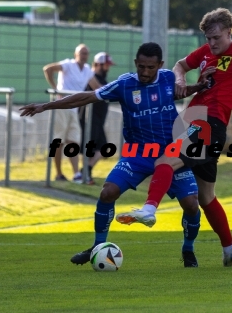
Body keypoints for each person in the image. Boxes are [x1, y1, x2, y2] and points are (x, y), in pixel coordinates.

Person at [116, 7, 232, 267]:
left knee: (165, 161)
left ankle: (149, 209)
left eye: (217, 38)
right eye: (208, 39)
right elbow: (180, 65)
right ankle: (230, 248)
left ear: (229, 33)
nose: (211, 44)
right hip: (192, 118)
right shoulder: (205, 53)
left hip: (208, 122)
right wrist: (179, 79)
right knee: (206, 197)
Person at [21, 42, 209, 267]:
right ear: (135, 64)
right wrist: (46, 106)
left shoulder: (169, 78)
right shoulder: (125, 84)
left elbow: (181, 91)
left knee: (190, 203)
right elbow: (86, 97)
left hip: (171, 153)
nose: (146, 72)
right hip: (138, 153)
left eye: (151, 67)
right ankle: (98, 246)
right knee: (107, 192)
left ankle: (188, 249)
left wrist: (197, 87)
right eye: (141, 67)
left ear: (160, 65)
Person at [43, 44, 102, 183]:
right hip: (61, 107)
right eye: (82, 53)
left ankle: (76, 174)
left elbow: (97, 87)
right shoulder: (68, 65)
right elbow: (48, 69)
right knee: (59, 141)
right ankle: (59, 173)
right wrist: (56, 89)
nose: (84, 56)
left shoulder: (87, 70)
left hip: (75, 109)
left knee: (74, 141)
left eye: (86, 53)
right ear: (76, 54)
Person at [78, 52, 115, 184]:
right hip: (90, 118)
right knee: (91, 148)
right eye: (106, 65)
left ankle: (85, 171)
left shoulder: (101, 78)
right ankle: (85, 174)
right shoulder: (91, 77)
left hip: (98, 120)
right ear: (99, 64)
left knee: (102, 149)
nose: (108, 68)